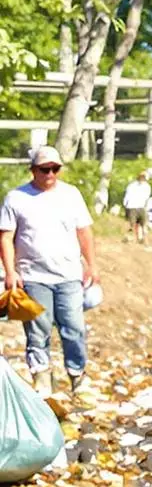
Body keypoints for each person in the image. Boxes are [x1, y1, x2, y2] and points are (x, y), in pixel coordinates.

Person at [0, 148, 97, 394]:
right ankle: (42, 375)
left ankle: (77, 374)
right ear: (33, 170)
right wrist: (10, 271)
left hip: (68, 274)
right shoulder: (17, 198)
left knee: (74, 327)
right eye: (45, 169)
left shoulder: (71, 195)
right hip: (33, 276)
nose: (50, 174)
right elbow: (6, 236)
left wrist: (91, 265)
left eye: (55, 168)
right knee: (37, 329)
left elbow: (84, 232)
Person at [121, 169, 152, 243]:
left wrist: (146, 207)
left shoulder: (147, 186)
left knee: (143, 224)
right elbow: (127, 196)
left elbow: (146, 198)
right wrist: (125, 205)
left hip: (141, 207)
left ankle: (143, 239)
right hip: (132, 206)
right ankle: (131, 239)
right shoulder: (132, 185)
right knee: (132, 224)